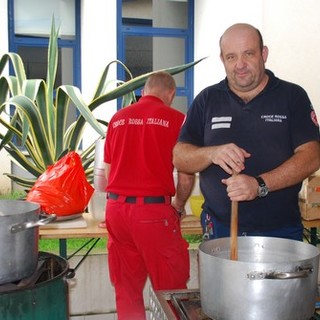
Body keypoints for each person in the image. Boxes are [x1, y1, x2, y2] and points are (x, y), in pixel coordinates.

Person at [173, 23, 320, 241]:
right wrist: (211, 153)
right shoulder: (207, 99)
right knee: (221, 277)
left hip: (279, 231)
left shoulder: (292, 96)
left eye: (248, 54)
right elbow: (180, 157)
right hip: (219, 229)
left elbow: (312, 156)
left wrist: (260, 185)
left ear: (264, 54)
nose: (240, 65)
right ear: (223, 59)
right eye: (231, 57)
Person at [103, 71, 195, 320]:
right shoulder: (178, 119)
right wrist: (178, 205)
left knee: (126, 290)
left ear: (143, 92)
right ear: (171, 93)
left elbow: (107, 173)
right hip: (153, 215)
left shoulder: (117, 119)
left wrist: (111, 207)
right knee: (171, 292)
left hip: (116, 212)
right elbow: (186, 176)